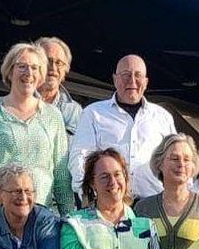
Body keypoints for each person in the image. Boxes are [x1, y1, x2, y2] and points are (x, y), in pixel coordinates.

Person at [0, 42, 74, 214]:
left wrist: (68, 217)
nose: (29, 73)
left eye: (35, 68)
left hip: (39, 215)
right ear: (10, 71)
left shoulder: (53, 116)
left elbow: (61, 174)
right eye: (22, 66)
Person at [68, 54, 176, 200]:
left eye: (138, 75)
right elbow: (80, 157)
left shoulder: (162, 117)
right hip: (109, 202)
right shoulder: (93, 114)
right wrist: (89, 195)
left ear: (146, 82)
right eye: (126, 74)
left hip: (154, 203)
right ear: (115, 79)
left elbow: (176, 158)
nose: (132, 81)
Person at [133, 133, 199, 249]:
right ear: (160, 164)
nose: (181, 164)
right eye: (175, 158)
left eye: (187, 159)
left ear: (193, 166)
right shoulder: (143, 208)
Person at [36, 36, 82, 137]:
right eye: (47, 61)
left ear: (65, 70)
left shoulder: (74, 111)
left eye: (59, 63)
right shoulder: (18, 101)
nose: (53, 67)